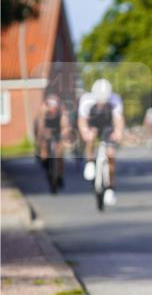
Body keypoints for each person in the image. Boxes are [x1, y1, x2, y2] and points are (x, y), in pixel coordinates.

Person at [77, 78, 125, 206]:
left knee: (110, 154)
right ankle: (90, 162)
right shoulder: (87, 100)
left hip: (107, 126)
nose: (102, 103)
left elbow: (118, 119)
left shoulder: (115, 99)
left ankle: (110, 187)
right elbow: (82, 121)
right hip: (93, 124)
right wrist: (85, 132)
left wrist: (118, 132)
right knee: (90, 137)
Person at [34, 93, 72, 189]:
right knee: (43, 148)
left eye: (54, 108)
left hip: (58, 131)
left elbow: (66, 125)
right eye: (51, 108)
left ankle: (60, 175)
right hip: (47, 130)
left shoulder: (61, 111)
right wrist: (40, 140)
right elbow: (40, 127)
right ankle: (45, 164)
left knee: (59, 153)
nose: (53, 110)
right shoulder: (43, 111)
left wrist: (64, 135)